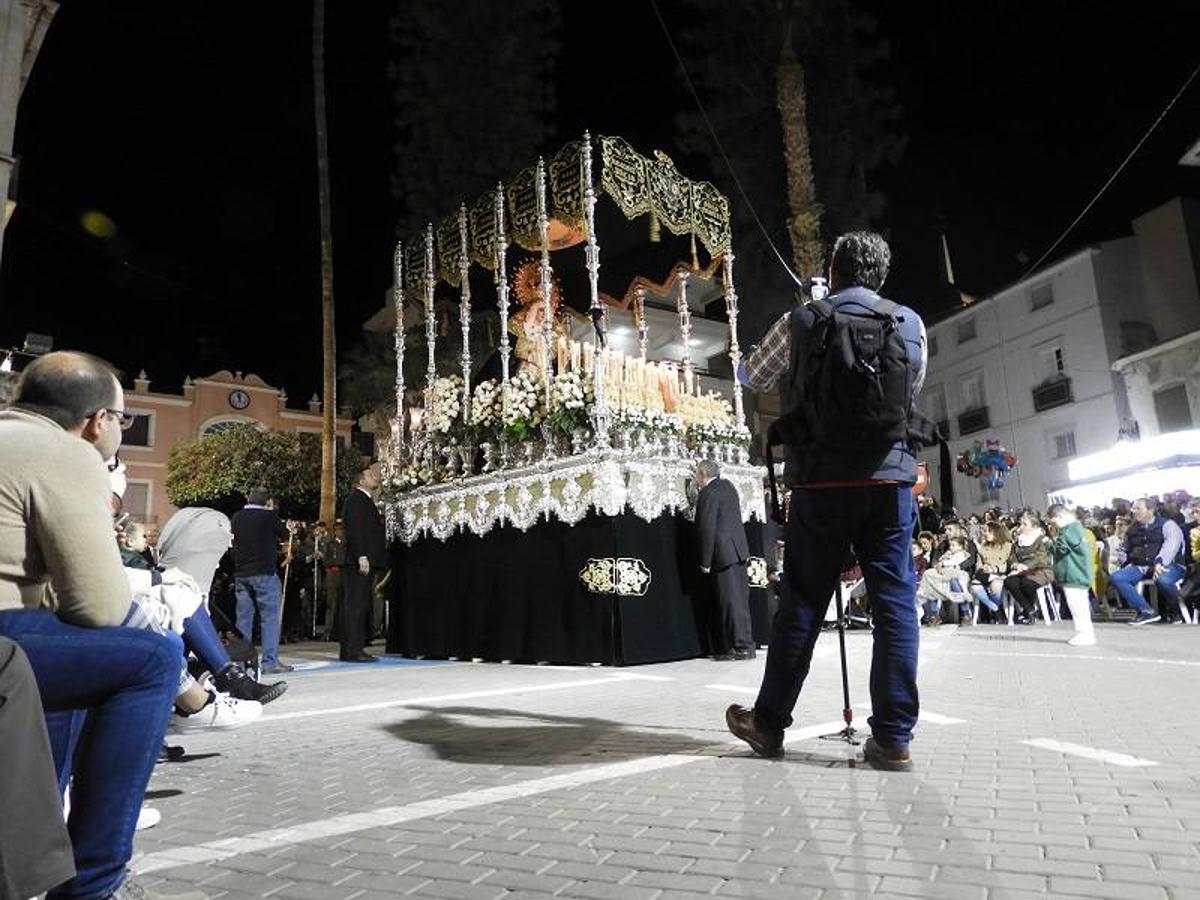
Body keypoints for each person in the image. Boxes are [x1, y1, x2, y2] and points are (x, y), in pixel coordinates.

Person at [723, 231, 928, 771]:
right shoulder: (909, 323)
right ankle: (894, 737)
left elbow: (750, 374)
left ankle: (767, 723)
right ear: (881, 276)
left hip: (819, 483)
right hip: (889, 483)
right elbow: (911, 392)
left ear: (833, 271)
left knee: (803, 606)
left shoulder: (804, 319)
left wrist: (809, 314)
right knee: (894, 606)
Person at [0, 350, 201, 900]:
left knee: (77, 660)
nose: (120, 430)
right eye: (123, 418)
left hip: (16, 638)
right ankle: (95, 884)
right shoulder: (65, 452)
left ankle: (41, 855)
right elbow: (99, 605)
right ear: (96, 421)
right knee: (149, 659)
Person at [694, 458, 754, 659]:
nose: (695, 479)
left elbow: (707, 528)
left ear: (703, 474)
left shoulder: (708, 493)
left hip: (723, 553)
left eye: (696, 475)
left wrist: (705, 560)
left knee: (730, 601)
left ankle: (740, 647)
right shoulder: (728, 486)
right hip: (738, 551)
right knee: (740, 600)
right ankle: (746, 643)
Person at [231, 487, 293, 673]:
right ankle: (269, 662)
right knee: (270, 619)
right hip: (264, 573)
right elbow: (285, 535)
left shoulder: (236, 517)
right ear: (267, 502)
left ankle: (241, 663)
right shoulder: (269, 516)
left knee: (243, 620)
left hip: (242, 574)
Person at [1110, 497, 1184, 626]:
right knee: (1117, 577)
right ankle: (1146, 611)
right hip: (1141, 566)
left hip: (1170, 564)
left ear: (1150, 510)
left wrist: (1160, 562)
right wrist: (1122, 561)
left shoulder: (1168, 524)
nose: (1134, 511)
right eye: (1133, 508)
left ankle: (1175, 612)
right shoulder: (1133, 529)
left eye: (1138, 508)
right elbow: (1126, 549)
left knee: (1163, 579)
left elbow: (1172, 545)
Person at [340, 463, 386, 662]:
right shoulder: (356, 500)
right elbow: (355, 530)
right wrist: (362, 556)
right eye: (370, 475)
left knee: (359, 604)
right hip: (358, 561)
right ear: (361, 480)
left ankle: (353, 647)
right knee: (356, 605)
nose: (375, 477)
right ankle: (353, 649)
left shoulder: (363, 501)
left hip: (362, 559)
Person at [1048, 504, 1096, 646]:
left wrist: (1047, 544)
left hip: (1074, 574)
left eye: (1054, 522)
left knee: (1077, 606)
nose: (1054, 525)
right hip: (1076, 574)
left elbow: (1060, 548)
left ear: (1060, 516)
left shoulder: (1070, 529)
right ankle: (1085, 633)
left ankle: (1084, 634)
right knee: (1079, 606)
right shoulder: (1075, 529)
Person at [1004, 513, 1054, 624]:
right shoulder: (1018, 541)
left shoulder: (1042, 539)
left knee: (1027, 583)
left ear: (1034, 526)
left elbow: (1041, 557)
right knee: (1010, 582)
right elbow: (1012, 556)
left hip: (1040, 569)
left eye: (1025, 524)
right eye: (1020, 524)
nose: (1021, 526)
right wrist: (1016, 565)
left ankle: (1027, 612)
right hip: (1020, 570)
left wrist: (1026, 566)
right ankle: (1030, 610)